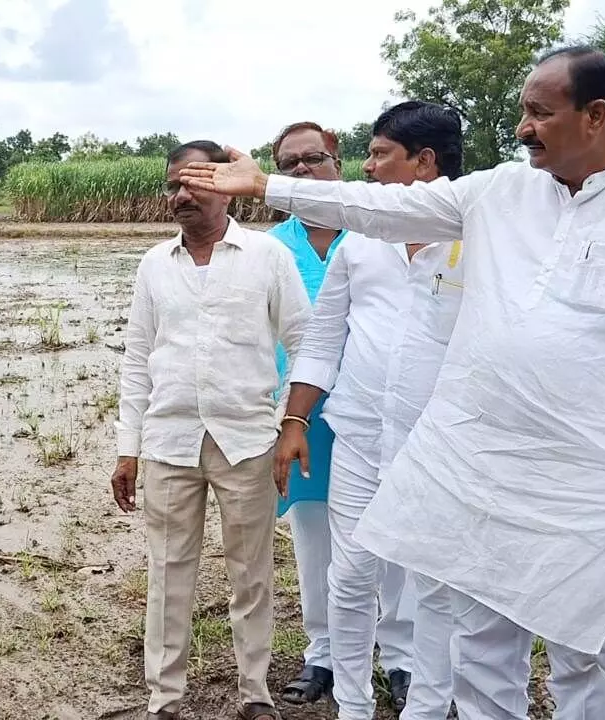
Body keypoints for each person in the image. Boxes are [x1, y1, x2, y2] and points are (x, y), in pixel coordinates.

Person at [180, 46, 605, 720]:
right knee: (482, 645)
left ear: (596, 116)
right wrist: (266, 187)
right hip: (483, 465)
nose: (523, 127)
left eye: (538, 112)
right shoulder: (497, 193)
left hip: (591, 481)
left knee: (584, 656)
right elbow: (374, 208)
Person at [273, 101, 463, 720]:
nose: (368, 166)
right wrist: (296, 420)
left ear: (424, 162)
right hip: (356, 432)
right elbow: (324, 339)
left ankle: (424, 702)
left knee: (433, 584)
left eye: (380, 155)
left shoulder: (479, 237)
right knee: (350, 573)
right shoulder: (362, 244)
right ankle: (353, 705)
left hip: (440, 443)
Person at [110, 140, 311, 720]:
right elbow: (136, 357)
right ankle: (165, 698)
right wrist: (129, 450)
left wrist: (288, 421)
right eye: (173, 185)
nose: (181, 196)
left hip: (247, 442)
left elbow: (303, 341)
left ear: (223, 186)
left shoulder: (266, 257)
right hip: (169, 444)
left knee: (251, 574)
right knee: (168, 573)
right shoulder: (154, 264)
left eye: (193, 183)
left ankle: (255, 692)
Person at [263, 121, 345, 708]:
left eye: (312, 159)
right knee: (313, 534)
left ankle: (399, 655)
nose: (301, 172)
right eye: (288, 164)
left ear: (338, 160)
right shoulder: (268, 248)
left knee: (385, 536)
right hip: (299, 413)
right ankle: (324, 651)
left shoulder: (380, 234)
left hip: (376, 409)